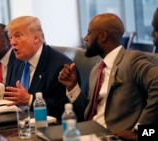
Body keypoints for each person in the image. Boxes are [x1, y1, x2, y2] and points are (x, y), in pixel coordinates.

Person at [58, 13, 158, 141]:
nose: (85, 38)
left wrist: (140, 131)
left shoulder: (131, 59)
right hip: (89, 133)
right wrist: (72, 86)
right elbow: (87, 114)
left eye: (89, 33)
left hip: (114, 135)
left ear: (103, 36)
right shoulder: (96, 70)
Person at [0, 16, 83, 121]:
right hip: (21, 123)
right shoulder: (19, 60)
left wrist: (30, 100)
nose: (13, 42)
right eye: (11, 37)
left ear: (36, 38)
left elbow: (66, 108)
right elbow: (19, 95)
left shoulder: (59, 65)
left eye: (18, 36)